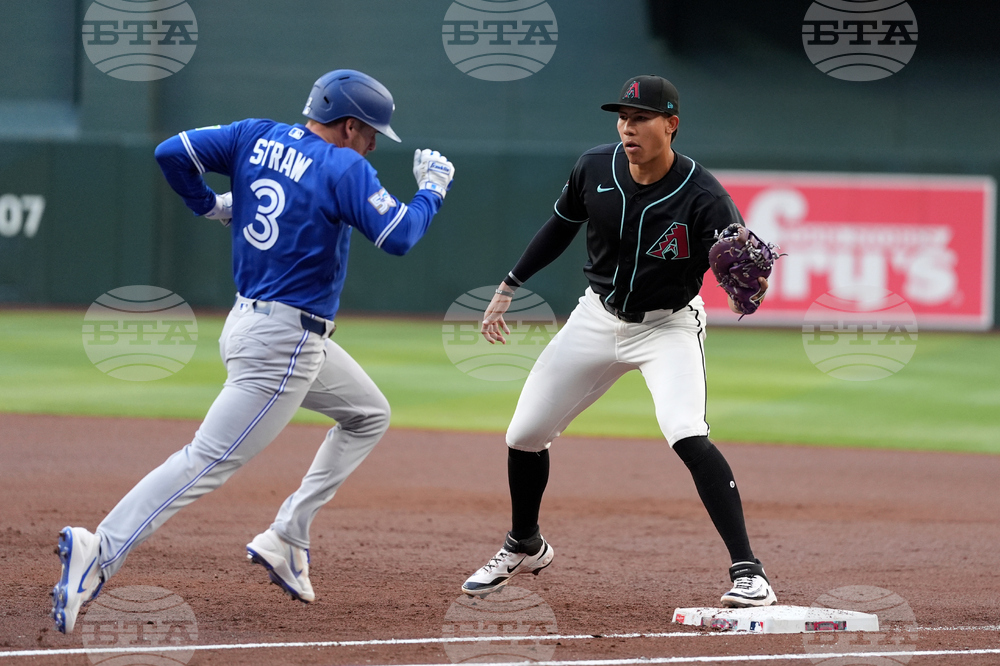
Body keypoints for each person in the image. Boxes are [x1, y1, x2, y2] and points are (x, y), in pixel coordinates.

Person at [51, 69, 456, 633]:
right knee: (207, 460)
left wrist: (209, 205)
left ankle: (288, 535)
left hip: (255, 324)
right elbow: (400, 237)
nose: (372, 144)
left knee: (368, 414)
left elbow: (171, 153)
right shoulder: (344, 166)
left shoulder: (253, 135)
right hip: (284, 343)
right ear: (347, 125)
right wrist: (433, 189)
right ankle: (102, 550)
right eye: (370, 133)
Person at [461, 75, 776, 608]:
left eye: (641, 118)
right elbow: (559, 226)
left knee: (687, 433)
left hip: (668, 327)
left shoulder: (705, 197)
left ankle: (750, 573)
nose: (628, 128)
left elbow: (747, 276)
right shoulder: (593, 167)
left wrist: (756, 284)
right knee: (524, 434)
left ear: (670, 125)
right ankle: (524, 544)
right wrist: (510, 284)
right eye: (622, 118)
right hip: (597, 316)